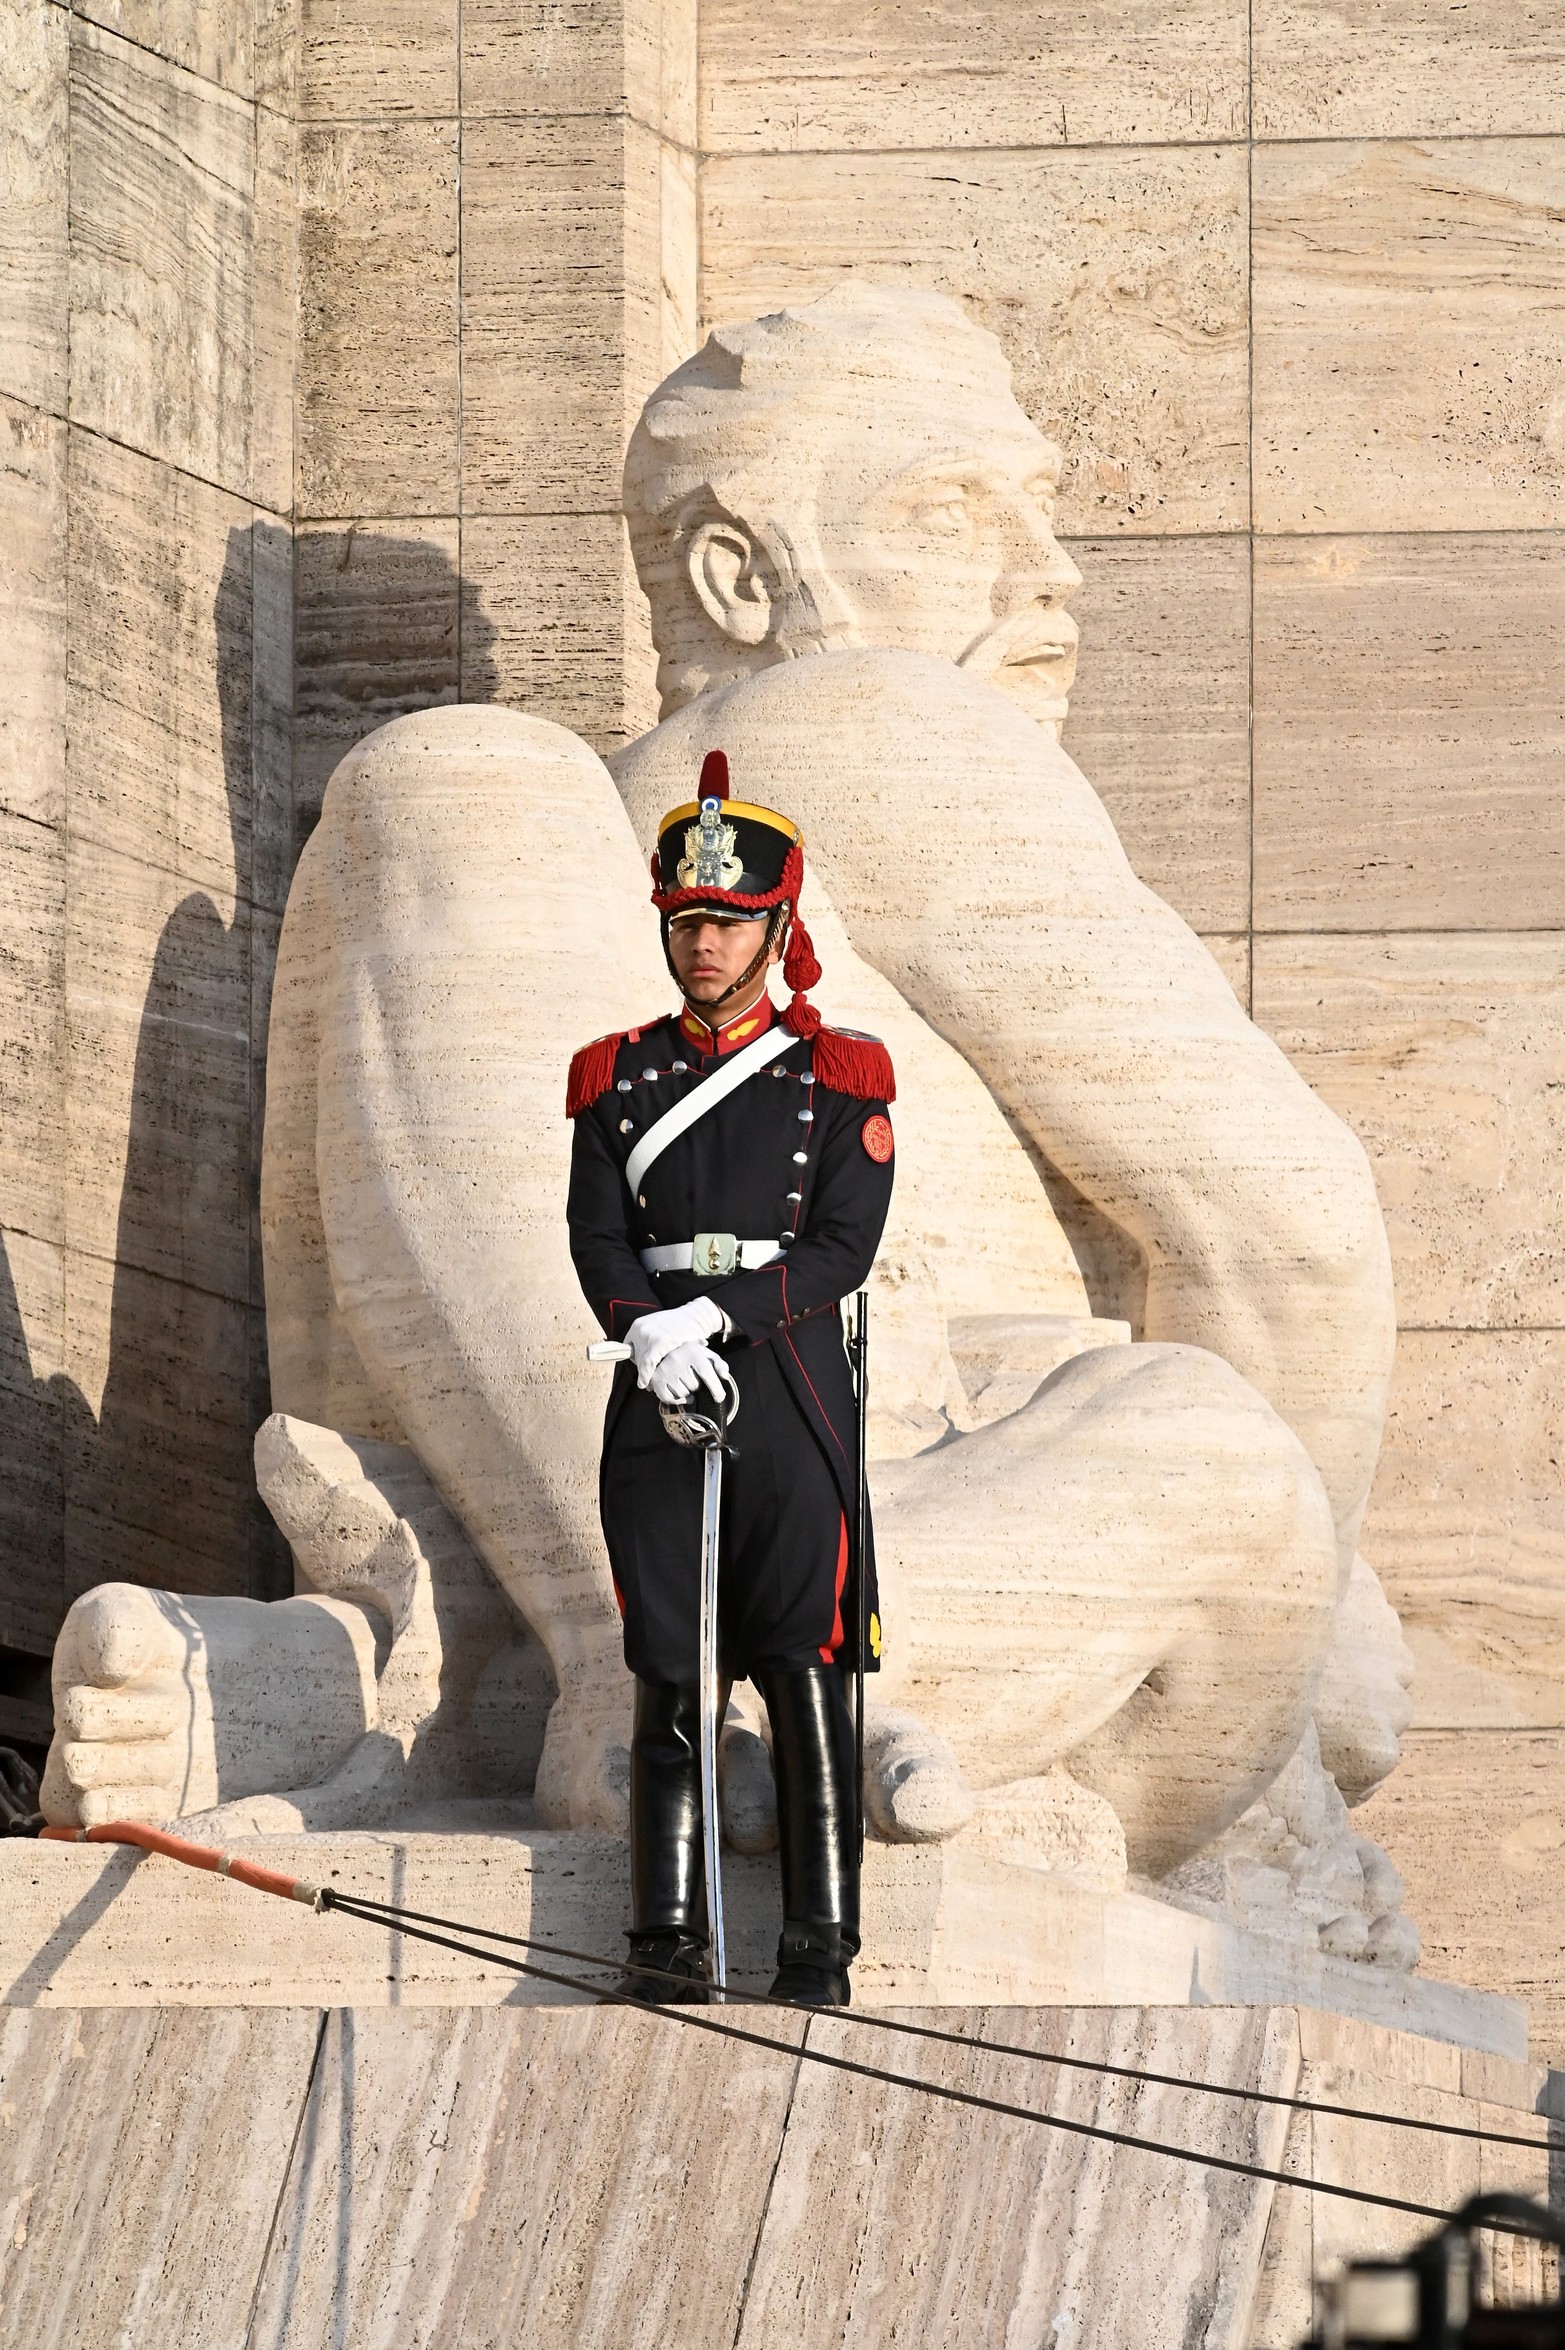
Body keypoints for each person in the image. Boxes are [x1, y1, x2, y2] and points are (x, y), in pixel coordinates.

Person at [566, 748, 896, 2007]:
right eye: (685, 920)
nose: (701, 943)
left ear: (777, 928)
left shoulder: (837, 1072)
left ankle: (816, 1944)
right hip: (658, 1388)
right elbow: (596, 1230)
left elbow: (842, 1247)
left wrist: (718, 1310)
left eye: (728, 921)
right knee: (668, 1661)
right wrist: (643, 1324)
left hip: (790, 1387)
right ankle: (665, 1936)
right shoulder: (616, 1076)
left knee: (801, 1661)